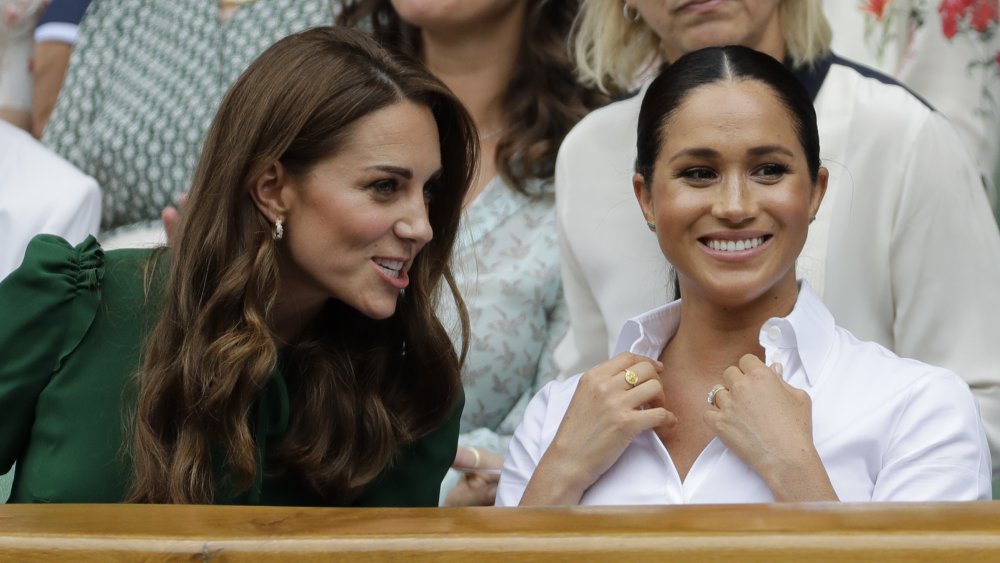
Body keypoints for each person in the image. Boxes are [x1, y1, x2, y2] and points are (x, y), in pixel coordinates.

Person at [0, 26, 478, 506]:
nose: (422, 226)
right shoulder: (77, 303)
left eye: (429, 191)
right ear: (271, 188)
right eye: (385, 187)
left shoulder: (408, 389)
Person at [497, 46, 992, 505]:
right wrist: (559, 473)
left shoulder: (919, 408)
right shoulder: (561, 416)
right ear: (646, 198)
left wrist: (795, 469)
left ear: (816, 192)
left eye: (769, 170)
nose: (735, 206)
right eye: (698, 173)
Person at [337, 0, 606, 506]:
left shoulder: (597, 157)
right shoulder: (320, 105)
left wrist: (467, 484)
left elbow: (571, 421)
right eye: (383, 187)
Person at [41, 0, 333, 243]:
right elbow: (56, 179)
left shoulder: (340, 15)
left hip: (267, 276)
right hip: (105, 272)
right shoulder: (127, 7)